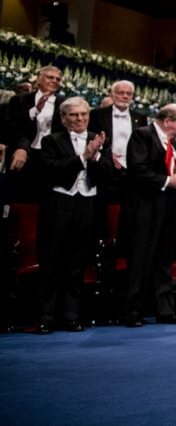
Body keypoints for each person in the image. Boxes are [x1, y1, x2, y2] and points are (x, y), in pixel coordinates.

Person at [36, 98, 106, 334]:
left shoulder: (98, 139)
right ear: (63, 118)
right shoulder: (51, 141)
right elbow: (51, 169)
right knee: (52, 261)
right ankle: (46, 317)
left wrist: (97, 156)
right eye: (74, 115)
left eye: (83, 114)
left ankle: (72, 316)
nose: (80, 119)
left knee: (77, 262)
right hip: (60, 202)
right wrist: (84, 157)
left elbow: (107, 173)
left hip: (87, 203)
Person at [122, 104, 176, 327]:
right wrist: (168, 181)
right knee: (140, 260)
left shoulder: (170, 141)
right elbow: (137, 169)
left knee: (163, 260)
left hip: (165, 208)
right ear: (167, 120)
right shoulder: (142, 135)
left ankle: (165, 311)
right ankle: (132, 312)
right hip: (143, 208)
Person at [88, 80, 148, 241]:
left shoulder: (140, 117)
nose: (125, 96)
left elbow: (142, 144)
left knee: (129, 211)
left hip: (131, 172)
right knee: (102, 212)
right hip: (105, 169)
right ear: (112, 95)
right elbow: (92, 138)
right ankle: (101, 246)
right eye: (121, 93)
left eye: (128, 93)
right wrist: (107, 157)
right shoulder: (97, 114)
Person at [5, 65, 66, 204]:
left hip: (51, 159)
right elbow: (11, 126)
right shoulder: (19, 100)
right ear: (38, 80)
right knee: (20, 200)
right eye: (50, 77)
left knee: (47, 202)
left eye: (58, 79)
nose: (54, 81)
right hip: (25, 154)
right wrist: (35, 110)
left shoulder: (64, 104)